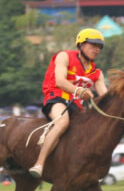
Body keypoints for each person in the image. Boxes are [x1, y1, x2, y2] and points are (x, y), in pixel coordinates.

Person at [28, 28, 109, 179]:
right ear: (81, 45)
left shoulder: (97, 73)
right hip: (57, 98)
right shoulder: (64, 56)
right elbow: (60, 81)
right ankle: (39, 163)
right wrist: (79, 91)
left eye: (99, 47)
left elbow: (105, 97)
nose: (96, 49)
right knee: (63, 122)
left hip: (76, 107)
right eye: (93, 45)